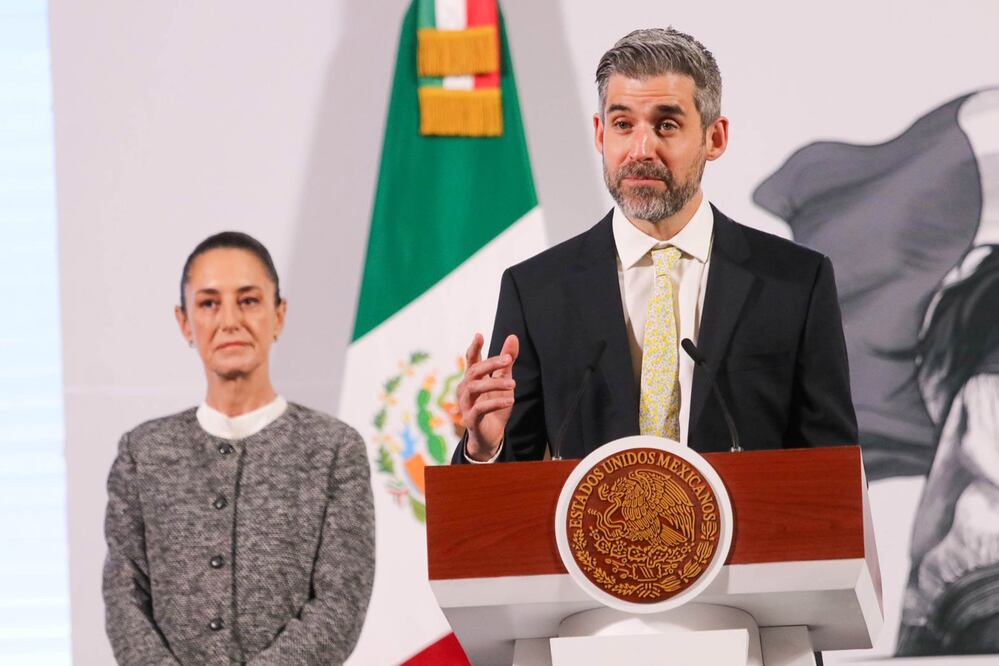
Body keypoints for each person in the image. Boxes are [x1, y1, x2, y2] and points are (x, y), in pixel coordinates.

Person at [452, 28, 857, 464]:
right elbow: (504, 499)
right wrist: (485, 447)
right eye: (623, 124)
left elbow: (834, 477)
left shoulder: (795, 283)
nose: (641, 149)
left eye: (666, 125)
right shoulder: (536, 291)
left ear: (714, 138)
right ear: (599, 134)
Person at [102, 232, 374, 665]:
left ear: (279, 314)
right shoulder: (143, 454)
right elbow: (124, 597)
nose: (229, 320)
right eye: (209, 303)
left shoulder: (333, 451)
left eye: (248, 300)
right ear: (185, 322)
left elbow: (340, 604)